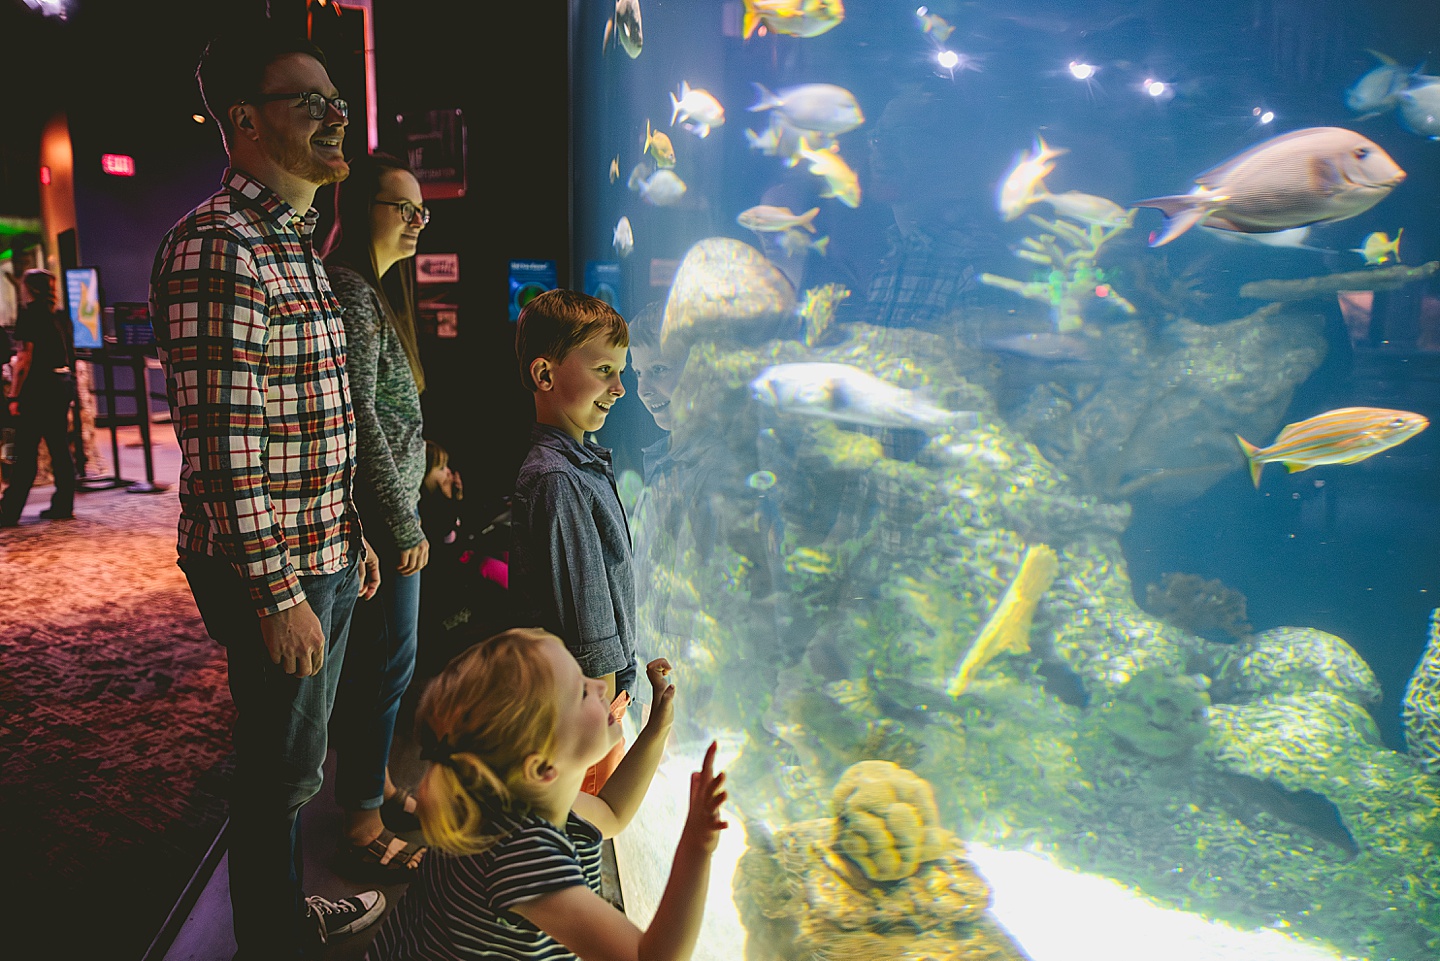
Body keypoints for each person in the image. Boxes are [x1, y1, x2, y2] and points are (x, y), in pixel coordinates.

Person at [149, 20, 385, 957]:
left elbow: (307, 418)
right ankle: (274, 938)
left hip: (315, 546)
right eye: (311, 101)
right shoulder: (221, 245)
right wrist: (281, 592)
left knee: (294, 760)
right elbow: (226, 443)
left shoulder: (290, 240)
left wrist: (349, 526)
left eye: (338, 98)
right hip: (272, 568)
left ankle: (279, 911)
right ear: (245, 121)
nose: (336, 116)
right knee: (281, 772)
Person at [362, 627, 728, 961]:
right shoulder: (522, 856)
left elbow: (612, 813)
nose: (600, 686)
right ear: (541, 768)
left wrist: (658, 727)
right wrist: (697, 845)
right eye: (582, 692)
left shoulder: (505, 794)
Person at [320, 150, 430, 881]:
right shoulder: (356, 291)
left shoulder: (377, 291)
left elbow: (390, 409)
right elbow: (359, 417)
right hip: (380, 524)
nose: (418, 221)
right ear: (364, 211)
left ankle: (376, 781)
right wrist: (403, 524)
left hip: (390, 512)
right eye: (404, 207)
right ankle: (360, 818)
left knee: (387, 664)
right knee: (385, 666)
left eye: (423, 210)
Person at [511, 288, 636, 795]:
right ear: (545, 375)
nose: (620, 388)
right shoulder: (557, 480)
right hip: (585, 714)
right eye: (604, 370)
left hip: (592, 705)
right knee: (583, 829)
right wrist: (604, 720)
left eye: (620, 371)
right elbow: (589, 630)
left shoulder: (576, 468)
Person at [0, 268, 76, 527]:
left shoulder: (30, 315)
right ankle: (63, 504)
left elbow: (25, 359)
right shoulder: (59, 315)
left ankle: (9, 510)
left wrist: (14, 395)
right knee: (59, 447)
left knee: (23, 448)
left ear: (28, 288)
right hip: (61, 384)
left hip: (39, 388)